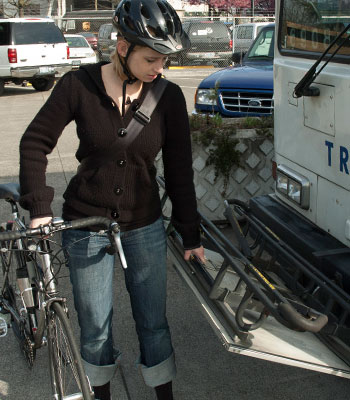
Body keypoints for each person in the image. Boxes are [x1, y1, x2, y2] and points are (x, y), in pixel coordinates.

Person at [19, 0, 205, 399]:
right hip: (86, 226)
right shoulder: (78, 85)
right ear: (122, 48)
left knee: (154, 322)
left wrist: (191, 234)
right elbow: (35, 142)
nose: (159, 69)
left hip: (145, 227)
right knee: (94, 326)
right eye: (151, 58)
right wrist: (38, 207)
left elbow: (178, 170)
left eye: (165, 60)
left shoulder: (168, 98)